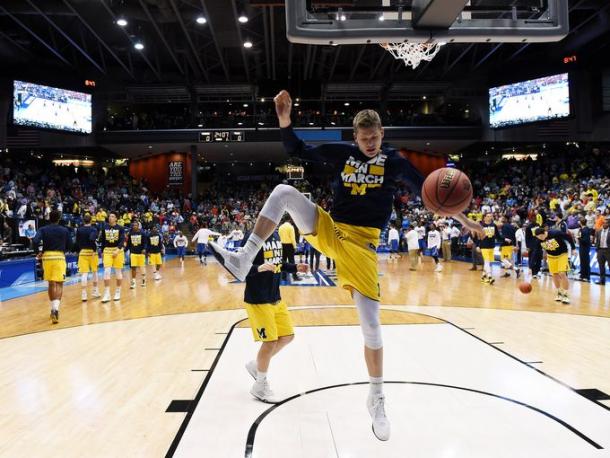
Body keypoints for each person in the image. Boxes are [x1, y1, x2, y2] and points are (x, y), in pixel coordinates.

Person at [209, 90, 482, 441]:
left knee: (372, 329)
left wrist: (464, 220)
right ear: (356, 137)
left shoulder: (395, 162)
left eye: (374, 137)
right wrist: (284, 119)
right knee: (282, 192)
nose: (369, 142)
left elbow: (428, 194)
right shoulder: (344, 155)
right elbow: (297, 150)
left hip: (363, 248)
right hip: (332, 229)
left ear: (382, 134)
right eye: (364, 138)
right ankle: (243, 258)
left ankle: (376, 398)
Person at [243, 230, 309, 402]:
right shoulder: (253, 237)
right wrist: (258, 268)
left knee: (287, 336)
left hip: (275, 297)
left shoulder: (277, 236)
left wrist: (295, 267)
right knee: (270, 341)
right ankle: (260, 386)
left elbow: (278, 263)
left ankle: (257, 365)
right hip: (258, 299)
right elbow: (239, 267)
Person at [32, 210, 70, 324]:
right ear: (59, 218)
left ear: (49, 217)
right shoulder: (64, 230)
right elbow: (71, 245)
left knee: (51, 283)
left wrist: (37, 252)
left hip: (47, 257)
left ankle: (52, 309)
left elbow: (35, 241)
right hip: (59, 257)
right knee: (59, 283)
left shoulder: (43, 229)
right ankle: (55, 309)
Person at [534, 227, 576, 303]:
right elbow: (536, 251)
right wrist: (532, 265)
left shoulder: (555, 233)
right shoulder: (538, 240)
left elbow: (568, 237)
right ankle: (559, 293)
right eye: (537, 237)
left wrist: (573, 249)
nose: (539, 238)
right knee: (554, 274)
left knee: (562, 273)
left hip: (562, 255)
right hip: (551, 257)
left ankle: (566, 294)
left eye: (540, 236)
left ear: (544, 233)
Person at [98, 212, 126, 303]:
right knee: (106, 272)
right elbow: (102, 240)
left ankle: (118, 291)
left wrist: (118, 249)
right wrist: (102, 251)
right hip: (107, 251)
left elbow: (122, 240)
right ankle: (107, 293)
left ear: (116, 219)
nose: (110, 217)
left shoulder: (121, 228)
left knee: (118, 272)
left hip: (118, 251)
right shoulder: (104, 227)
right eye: (110, 216)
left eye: (113, 216)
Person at [75, 214, 100, 301]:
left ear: (83, 220)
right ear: (91, 220)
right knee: (95, 272)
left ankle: (84, 294)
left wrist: (78, 251)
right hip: (92, 253)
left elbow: (77, 242)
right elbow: (92, 239)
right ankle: (95, 291)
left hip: (83, 252)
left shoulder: (79, 229)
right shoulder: (93, 229)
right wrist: (93, 249)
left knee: (84, 274)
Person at [476, 212, 501, 285]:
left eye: (491, 216)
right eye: (488, 216)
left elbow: (498, 236)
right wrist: (478, 245)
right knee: (486, 262)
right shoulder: (481, 226)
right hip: (484, 246)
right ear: (484, 218)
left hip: (492, 246)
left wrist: (505, 239)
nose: (490, 217)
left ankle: (483, 276)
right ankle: (490, 277)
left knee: (488, 262)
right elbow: (478, 237)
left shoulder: (494, 225)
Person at [127, 221, 148, 289]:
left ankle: (144, 280)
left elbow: (145, 243)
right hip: (133, 253)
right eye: (133, 225)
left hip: (141, 253)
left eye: (136, 225)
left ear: (138, 226)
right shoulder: (130, 234)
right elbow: (128, 244)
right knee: (133, 267)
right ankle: (133, 282)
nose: (134, 226)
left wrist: (144, 249)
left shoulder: (143, 233)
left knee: (142, 268)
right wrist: (123, 250)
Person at [594, 217, 610, 285]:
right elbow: (597, 240)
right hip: (600, 250)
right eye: (603, 223)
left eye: (606, 223)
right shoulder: (598, 231)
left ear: (609, 224)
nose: (604, 224)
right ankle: (602, 280)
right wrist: (597, 248)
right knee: (601, 266)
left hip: (608, 251)